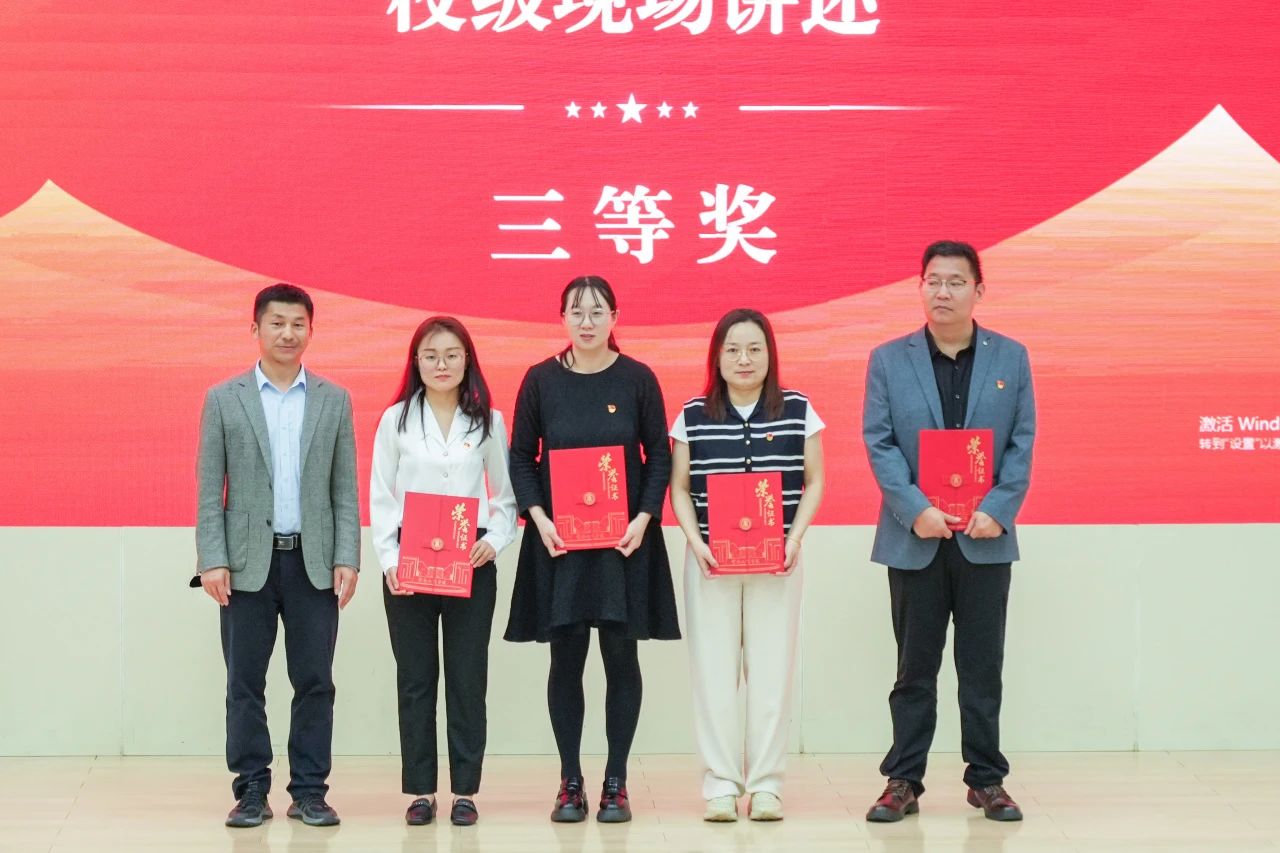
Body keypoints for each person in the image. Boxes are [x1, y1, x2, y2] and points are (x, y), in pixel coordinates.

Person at [861, 241, 1036, 823]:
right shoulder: (889, 359)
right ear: (920, 288)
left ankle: (987, 779)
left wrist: (999, 509)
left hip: (985, 537)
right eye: (933, 280)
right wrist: (915, 509)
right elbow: (879, 441)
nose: (943, 292)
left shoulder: (1011, 357)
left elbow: (1022, 441)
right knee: (914, 669)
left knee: (982, 667)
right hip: (916, 538)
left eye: (956, 281)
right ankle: (903, 780)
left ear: (978, 291)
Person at [503, 275, 681, 824]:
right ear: (562, 318)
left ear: (614, 318)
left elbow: (659, 456)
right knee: (566, 660)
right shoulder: (540, 380)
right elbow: (520, 457)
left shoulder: (638, 379)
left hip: (624, 545)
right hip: (559, 544)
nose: (586, 322)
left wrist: (644, 519)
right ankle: (570, 781)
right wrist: (539, 518)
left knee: (622, 659)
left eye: (597, 311)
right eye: (576, 312)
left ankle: (616, 782)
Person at [194, 283, 360, 828]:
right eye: (277, 323)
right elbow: (209, 488)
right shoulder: (224, 398)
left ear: (311, 330)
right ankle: (251, 789)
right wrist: (211, 558)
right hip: (246, 565)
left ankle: (310, 791)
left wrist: (348, 555)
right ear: (256, 329)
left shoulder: (334, 399)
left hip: (313, 562)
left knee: (315, 681)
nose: (288, 333)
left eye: (297, 324)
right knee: (244, 682)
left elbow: (344, 488)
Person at [669, 308, 825, 822]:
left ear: (770, 354)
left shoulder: (799, 409)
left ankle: (765, 785)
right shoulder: (693, 414)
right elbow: (680, 488)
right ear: (716, 357)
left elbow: (815, 480)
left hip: (778, 564)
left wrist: (794, 539)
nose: (744, 359)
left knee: (771, 674)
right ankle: (719, 783)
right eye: (732, 349)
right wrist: (696, 543)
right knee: (713, 674)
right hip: (710, 563)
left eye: (755, 349)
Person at [369, 316, 518, 827]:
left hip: (470, 562)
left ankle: (465, 792)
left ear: (467, 360)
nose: (441, 364)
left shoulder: (488, 421)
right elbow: (381, 496)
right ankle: (421, 791)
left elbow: (506, 496)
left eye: (452, 355)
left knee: (466, 678)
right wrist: (389, 561)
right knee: (415, 680)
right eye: (430, 355)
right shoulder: (396, 421)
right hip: (409, 564)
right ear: (416, 361)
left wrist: (493, 541)